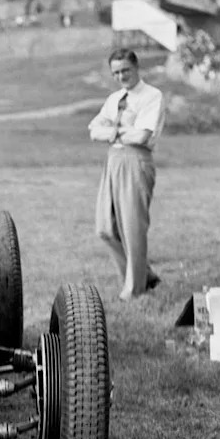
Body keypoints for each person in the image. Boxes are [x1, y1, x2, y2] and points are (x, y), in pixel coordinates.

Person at [88, 48, 164, 301]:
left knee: (132, 227)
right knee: (105, 228)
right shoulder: (115, 98)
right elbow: (94, 130)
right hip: (114, 161)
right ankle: (145, 275)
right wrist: (121, 131)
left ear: (136, 68)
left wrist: (113, 130)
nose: (121, 76)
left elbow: (142, 135)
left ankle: (134, 289)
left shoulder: (152, 96)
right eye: (116, 72)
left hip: (136, 160)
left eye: (125, 70)